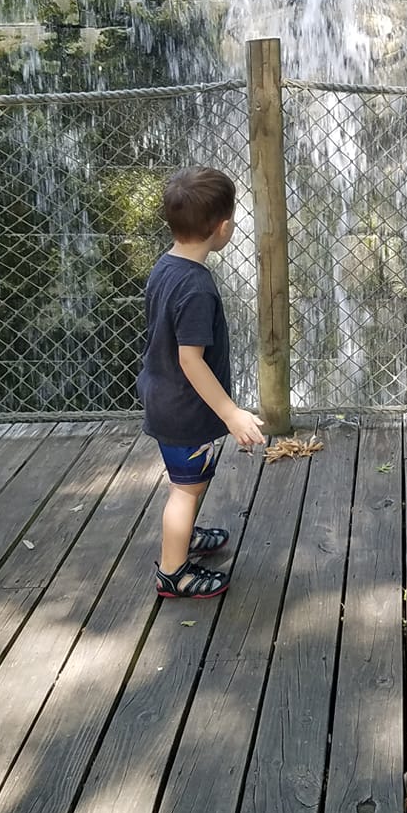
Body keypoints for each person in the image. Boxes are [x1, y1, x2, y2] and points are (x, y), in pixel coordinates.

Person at [137, 167, 267, 600]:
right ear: (223, 227)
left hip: (162, 393)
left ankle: (184, 535)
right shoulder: (196, 288)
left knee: (189, 480)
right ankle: (173, 574)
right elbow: (190, 360)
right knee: (185, 490)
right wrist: (230, 412)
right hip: (185, 405)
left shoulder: (165, 265)